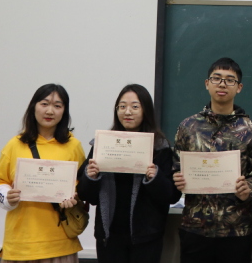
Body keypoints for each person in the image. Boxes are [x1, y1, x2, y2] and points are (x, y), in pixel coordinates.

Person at [172, 57, 252, 263]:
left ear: (239, 87)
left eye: (230, 80)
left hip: (236, 230)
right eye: (216, 78)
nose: (222, 84)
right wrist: (176, 178)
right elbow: (175, 167)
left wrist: (249, 188)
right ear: (207, 84)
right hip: (195, 228)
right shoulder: (188, 127)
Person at [77, 84, 180, 263]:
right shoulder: (103, 145)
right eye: (122, 106)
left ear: (146, 110)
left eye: (135, 106)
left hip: (146, 237)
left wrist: (155, 178)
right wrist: (91, 177)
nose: (127, 112)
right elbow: (86, 195)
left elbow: (171, 195)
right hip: (109, 237)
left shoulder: (160, 148)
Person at [0, 83, 86, 262]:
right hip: (20, 243)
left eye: (57, 106)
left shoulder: (73, 146)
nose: (50, 111)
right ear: (33, 107)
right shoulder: (15, 145)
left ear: (64, 111)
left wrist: (74, 196)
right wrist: (7, 196)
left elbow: (82, 186)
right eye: (44, 104)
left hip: (60, 243)